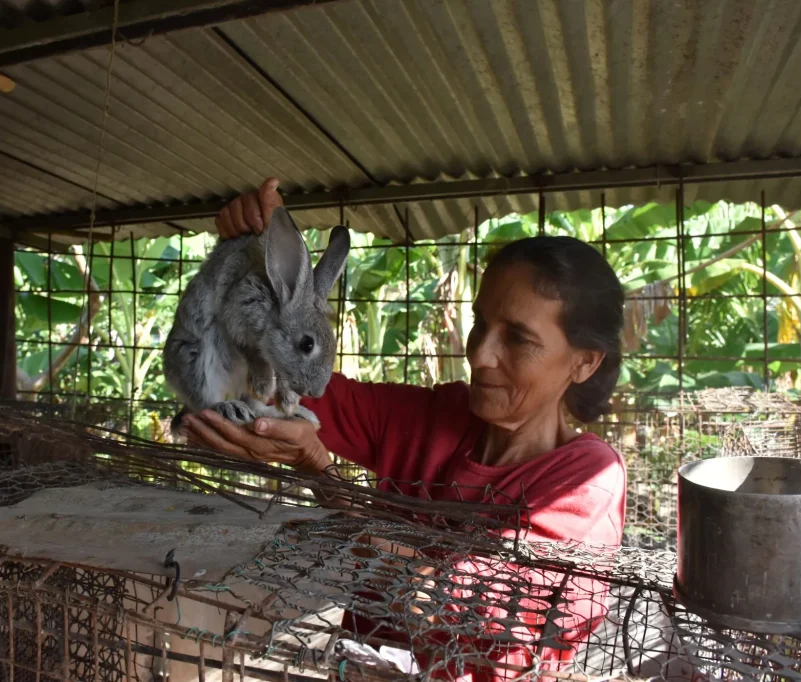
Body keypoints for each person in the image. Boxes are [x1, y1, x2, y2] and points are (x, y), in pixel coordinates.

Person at [182, 178, 628, 680]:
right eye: (481, 324)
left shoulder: (587, 480)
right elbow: (304, 382)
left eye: (519, 339)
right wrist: (263, 260)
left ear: (584, 363)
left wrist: (318, 469)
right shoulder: (437, 415)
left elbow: (447, 604)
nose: (480, 355)